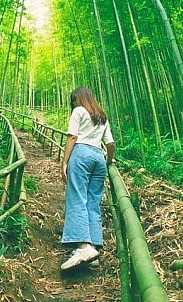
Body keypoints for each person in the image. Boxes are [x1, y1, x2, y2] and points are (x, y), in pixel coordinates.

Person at [59, 86, 115, 270]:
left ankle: (83, 247)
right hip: (98, 157)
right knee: (92, 203)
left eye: (74, 99)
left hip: (81, 153)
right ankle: (94, 248)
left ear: (79, 99)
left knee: (76, 198)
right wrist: (107, 161)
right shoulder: (101, 116)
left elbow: (73, 136)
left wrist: (64, 162)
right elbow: (110, 144)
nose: (73, 103)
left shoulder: (79, 111)